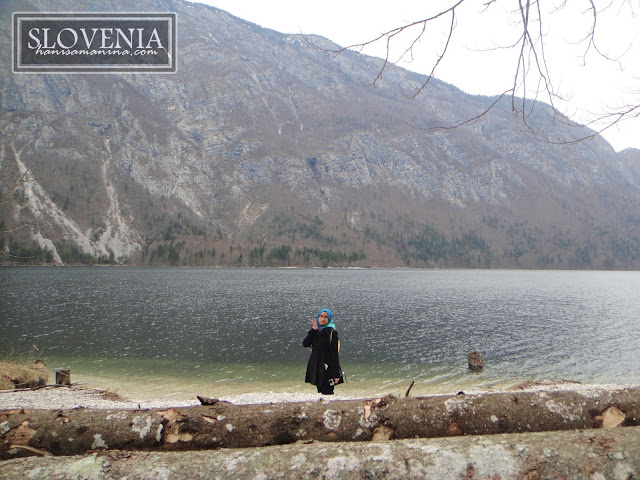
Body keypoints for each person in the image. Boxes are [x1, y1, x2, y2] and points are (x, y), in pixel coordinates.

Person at [303, 308, 342, 395]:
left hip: (328, 368)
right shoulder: (316, 331)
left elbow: (334, 354)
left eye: (325, 317)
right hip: (317, 366)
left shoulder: (332, 332)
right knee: (320, 392)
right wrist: (313, 331)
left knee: (328, 392)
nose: (322, 319)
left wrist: (336, 374)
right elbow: (306, 344)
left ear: (329, 319)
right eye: (321, 316)